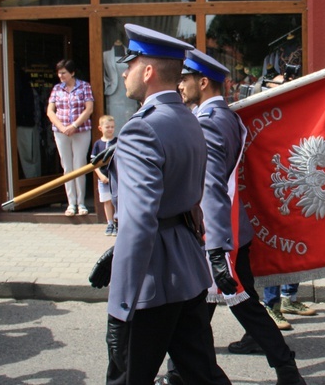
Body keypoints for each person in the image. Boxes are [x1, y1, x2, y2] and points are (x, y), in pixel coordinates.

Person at [155, 49, 306, 385]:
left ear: (203, 82)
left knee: (241, 307)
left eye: (185, 80)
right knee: (203, 310)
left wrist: (215, 247)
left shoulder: (207, 124)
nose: (180, 86)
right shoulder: (226, 116)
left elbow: (210, 188)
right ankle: (181, 371)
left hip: (219, 235)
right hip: (233, 230)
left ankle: (286, 368)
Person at [105, 24, 230, 385]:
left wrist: (120, 306)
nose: (123, 73)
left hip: (151, 279)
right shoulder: (190, 119)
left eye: (129, 65)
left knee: (127, 378)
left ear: (147, 71)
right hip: (187, 268)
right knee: (201, 374)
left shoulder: (141, 128)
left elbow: (137, 223)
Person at [46, 59, 94, 216]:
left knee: (79, 165)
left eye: (64, 72)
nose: (61, 75)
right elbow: (50, 111)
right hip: (61, 132)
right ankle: (71, 203)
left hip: (80, 131)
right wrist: (62, 127)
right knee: (67, 167)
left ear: (72, 73)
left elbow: (89, 109)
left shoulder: (84, 86)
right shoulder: (56, 89)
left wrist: (74, 125)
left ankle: (81, 203)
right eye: (59, 73)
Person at [91, 115, 117, 236]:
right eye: (107, 127)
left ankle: (118, 222)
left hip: (116, 178)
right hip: (104, 178)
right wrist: (100, 176)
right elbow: (93, 163)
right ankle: (110, 223)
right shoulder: (97, 144)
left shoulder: (117, 141)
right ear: (100, 128)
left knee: (116, 199)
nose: (110, 129)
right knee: (107, 200)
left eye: (112, 127)